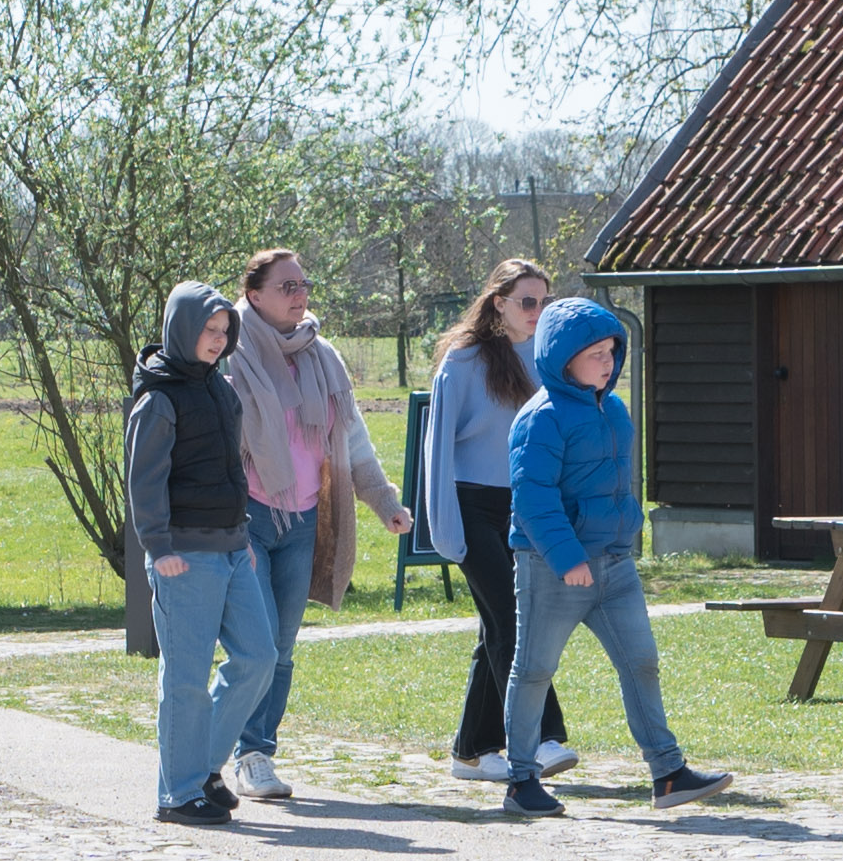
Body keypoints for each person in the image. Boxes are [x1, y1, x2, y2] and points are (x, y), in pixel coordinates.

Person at [496, 291, 739, 818]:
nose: (608, 363)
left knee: (642, 662)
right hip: (552, 567)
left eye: (612, 352)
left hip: (614, 564)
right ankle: (521, 781)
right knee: (534, 670)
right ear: (564, 359)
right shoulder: (540, 419)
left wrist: (624, 533)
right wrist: (568, 559)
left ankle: (668, 774)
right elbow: (533, 500)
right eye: (596, 354)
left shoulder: (614, 409)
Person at [218, 245, 415, 807]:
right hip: (248, 518)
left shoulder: (323, 356)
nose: (300, 295)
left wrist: (384, 501)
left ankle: (256, 753)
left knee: (280, 647)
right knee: (255, 644)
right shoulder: (231, 357)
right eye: (287, 287)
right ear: (254, 295)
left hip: (306, 519)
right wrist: (225, 525)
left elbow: (352, 440)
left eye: (304, 285)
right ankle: (222, 748)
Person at [409, 260, 571, 785]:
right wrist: (443, 528)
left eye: (544, 301)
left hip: (523, 509)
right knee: (513, 619)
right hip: (470, 507)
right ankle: (541, 738)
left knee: (496, 627)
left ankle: (471, 752)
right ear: (499, 303)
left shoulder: (548, 358)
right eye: (527, 301)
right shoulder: (462, 361)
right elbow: (437, 450)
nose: (537, 311)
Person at [133, 282, 263, 826]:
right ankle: (178, 794)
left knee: (258, 658)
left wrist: (243, 533)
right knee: (185, 679)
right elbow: (144, 480)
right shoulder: (158, 398)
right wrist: (158, 546)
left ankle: (203, 767)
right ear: (182, 328)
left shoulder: (220, 389)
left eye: (224, 330)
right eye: (209, 330)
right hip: (183, 555)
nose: (218, 339)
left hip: (233, 547)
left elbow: (232, 469)